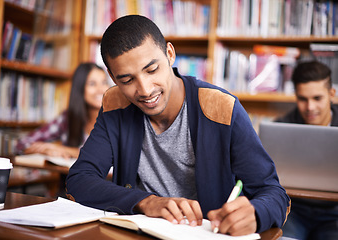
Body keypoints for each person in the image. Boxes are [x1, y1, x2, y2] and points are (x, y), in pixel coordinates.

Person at [66, 15, 290, 236]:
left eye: (152, 70)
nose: (144, 90)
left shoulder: (222, 107)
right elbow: (80, 178)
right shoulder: (114, 105)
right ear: (114, 79)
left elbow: (273, 192)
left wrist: (256, 213)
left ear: (170, 54)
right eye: (127, 80)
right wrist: (146, 202)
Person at [275, 61, 338, 240]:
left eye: (317, 98)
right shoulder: (281, 127)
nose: (310, 107)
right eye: (303, 99)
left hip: (335, 212)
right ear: (295, 96)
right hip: (294, 210)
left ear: (331, 94)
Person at [16, 62, 109, 158]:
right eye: (92, 84)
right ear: (80, 88)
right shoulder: (67, 118)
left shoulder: (115, 120)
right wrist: (46, 150)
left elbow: (105, 156)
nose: (101, 89)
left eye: (104, 82)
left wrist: (64, 150)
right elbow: (22, 144)